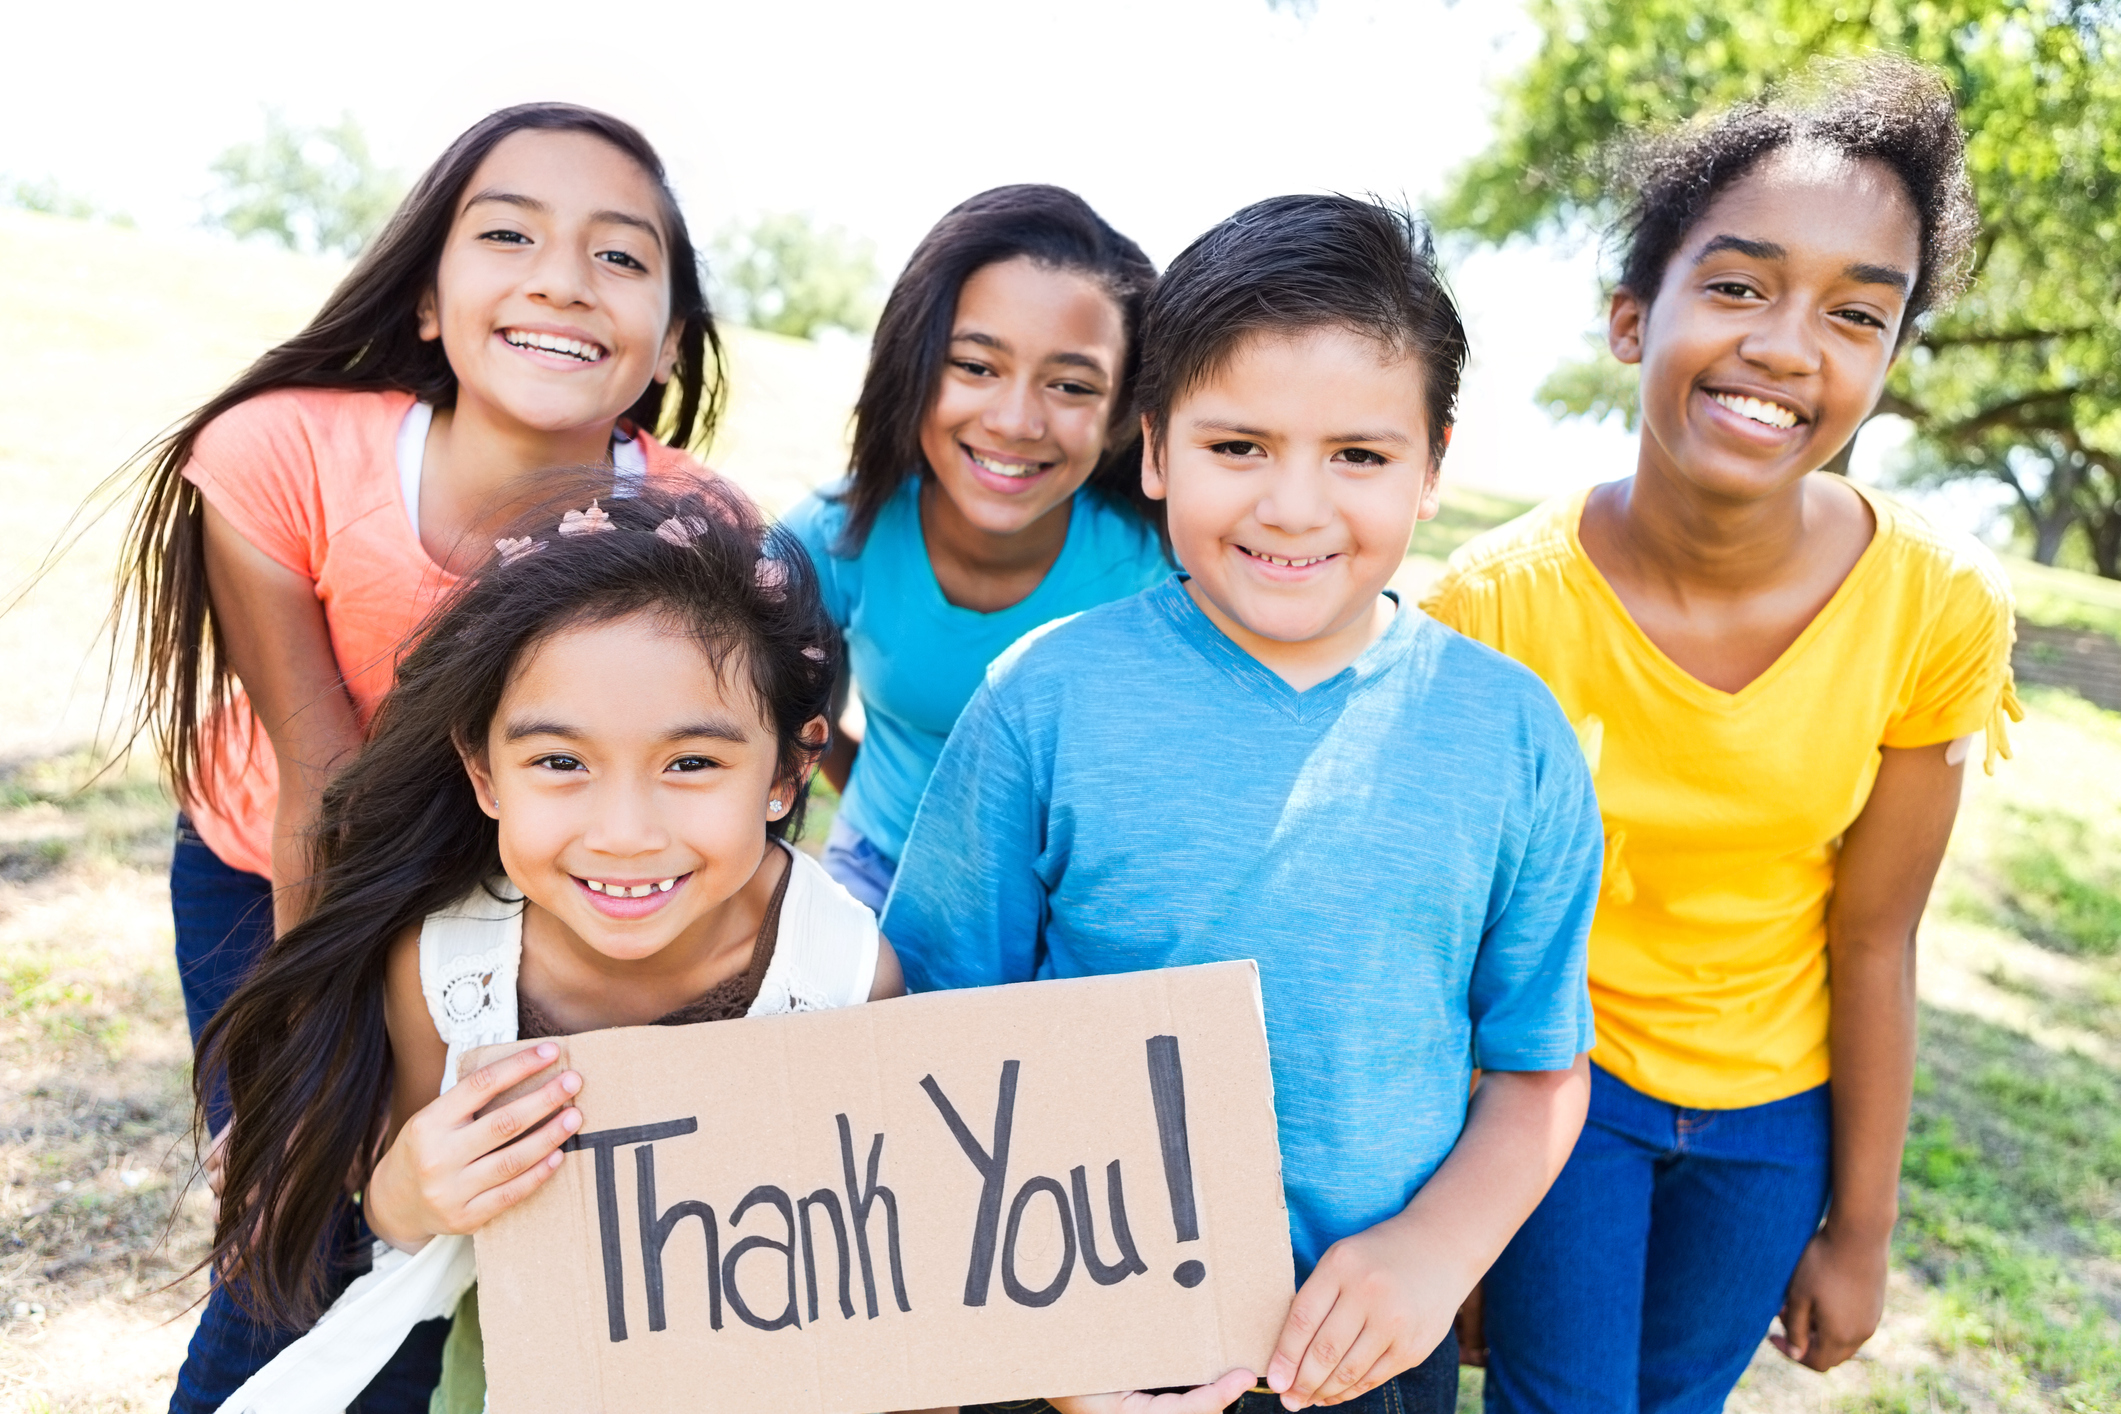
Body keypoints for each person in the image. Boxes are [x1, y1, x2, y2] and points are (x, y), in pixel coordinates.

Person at [883, 195, 1605, 1414]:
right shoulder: (1044, 699)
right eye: (1240, 447)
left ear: (1432, 463)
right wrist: (1032, 1334)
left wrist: (1435, 1256)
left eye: (1360, 457)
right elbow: (932, 1035)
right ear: (1156, 450)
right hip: (1071, 1342)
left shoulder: (1511, 735)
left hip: (1363, 1351)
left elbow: (1539, 1072)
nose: (1294, 507)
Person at [111, 102, 730, 1412]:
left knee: (451, 1219)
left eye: (621, 256)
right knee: (300, 1230)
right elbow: (325, 802)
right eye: (509, 235)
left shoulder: (696, 530)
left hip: (516, 899)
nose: (564, 276)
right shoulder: (280, 452)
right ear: (431, 303)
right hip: (272, 868)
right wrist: (301, 1099)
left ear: (667, 339)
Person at [1421, 57, 2018, 1414]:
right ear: (1634, 320)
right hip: (1560, 1090)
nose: (1786, 347)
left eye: (1856, 314)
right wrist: (1447, 1217)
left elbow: (1875, 934)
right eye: (1739, 285)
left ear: (1884, 361)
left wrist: (1859, 1229)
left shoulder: (1937, 605)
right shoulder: (1491, 609)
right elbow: (1453, 945)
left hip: (1774, 1121)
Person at [195, 476, 902, 1414]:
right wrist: (405, 1193)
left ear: (788, 770)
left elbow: (868, 1259)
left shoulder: (845, 978)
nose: (622, 832)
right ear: (484, 771)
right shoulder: (447, 965)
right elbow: (400, 1209)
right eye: (560, 763)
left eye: (691, 763)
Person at [780, 185, 1172, 912]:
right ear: (915, 367)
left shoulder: (1160, 567)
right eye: (976, 366)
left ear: (1122, 414)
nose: (1017, 420)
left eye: (1069, 384)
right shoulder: (831, 540)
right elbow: (788, 731)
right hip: (879, 876)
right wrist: (886, 817)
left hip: (1083, 904)